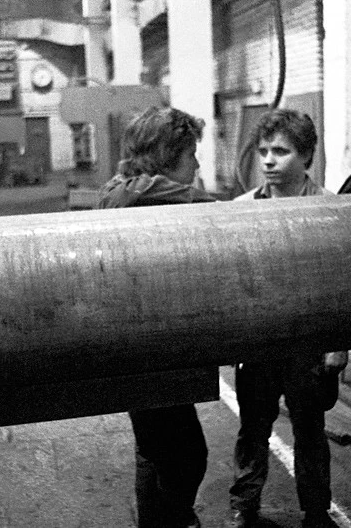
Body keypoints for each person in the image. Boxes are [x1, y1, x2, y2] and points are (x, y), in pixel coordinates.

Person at [228, 109, 348, 528]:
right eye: (263, 151)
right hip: (259, 343)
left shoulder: (329, 209)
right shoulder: (241, 210)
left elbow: (342, 284)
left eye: (280, 151)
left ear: (307, 156)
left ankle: (315, 510)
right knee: (252, 430)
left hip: (308, 344)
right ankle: (245, 504)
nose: (268, 160)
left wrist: (338, 345)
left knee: (309, 430)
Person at [97, 106, 215, 528]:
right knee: (187, 456)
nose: (197, 165)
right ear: (167, 158)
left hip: (150, 348)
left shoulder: (127, 192)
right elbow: (203, 205)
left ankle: (161, 518)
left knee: (155, 451)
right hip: (148, 351)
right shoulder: (140, 196)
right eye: (191, 155)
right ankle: (172, 517)